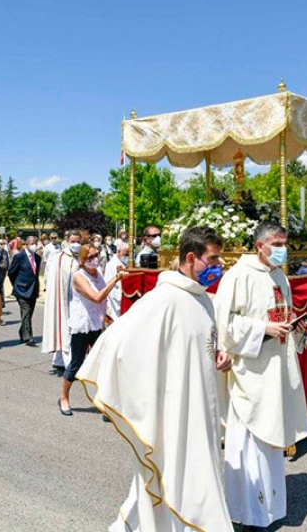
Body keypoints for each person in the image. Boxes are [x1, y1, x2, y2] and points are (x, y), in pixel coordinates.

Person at [77, 226, 233, 531]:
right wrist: (150, 394)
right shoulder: (164, 300)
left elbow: (199, 344)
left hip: (202, 408)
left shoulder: (203, 299)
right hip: (174, 412)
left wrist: (219, 355)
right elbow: (117, 343)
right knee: (173, 478)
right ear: (191, 257)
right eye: (213, 260)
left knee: (192, 478)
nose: (218, 267)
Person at [213, 222, 307, 529]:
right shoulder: (237, 276)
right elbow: (222, 323)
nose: (283, 248)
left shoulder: (280, 276)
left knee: (270, 448)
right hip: (250, 374)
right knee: (248, 445)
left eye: (285, 242)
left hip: (276, 371)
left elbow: (282, 312)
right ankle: (242, 515)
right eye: (277, 243)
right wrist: (262, 329)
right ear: (259, 245)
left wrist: (297, 326)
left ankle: (267, 510)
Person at [59, 245, 128, 416]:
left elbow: (104, 299)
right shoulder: (79, 277)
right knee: (76, 363)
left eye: (97, 254)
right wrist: (116, 278)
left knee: (102, 362)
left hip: (96, 323)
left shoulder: (98, 273)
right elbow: (97, 297)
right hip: (82, 325)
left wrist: (107, 316)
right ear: (82, 260)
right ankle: (64, 398)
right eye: (91, 256)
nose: (95, 258)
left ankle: (104, 402)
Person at [41, 230, 81, 373]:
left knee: (70, 328)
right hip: (64, 299)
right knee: (66, 328)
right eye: (73, 241)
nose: (76, 244)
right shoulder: (60, 258)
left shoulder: (79, 257)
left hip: (76, 298)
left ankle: (58, 360)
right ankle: (70, 364)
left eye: (78, 241)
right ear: (67, 241)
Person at [8, 235, 41, 346]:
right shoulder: (19, 257)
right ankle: (28, 337)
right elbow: (11, 272)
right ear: (26, 245)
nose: (34, 245)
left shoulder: (38, 258)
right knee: (26, 311)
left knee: (29, 313)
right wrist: (16, 285)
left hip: (33, 290)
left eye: (35, 243)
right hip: (21, 290)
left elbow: (35, 275)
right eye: (31, 243)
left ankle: (23, 331)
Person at [104, 244, 129, 322]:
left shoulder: (123, 263)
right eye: (126, 254)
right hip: (114, 301)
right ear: (118, 251)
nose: (127, 257)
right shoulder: (111, 265)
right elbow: (110, 284)